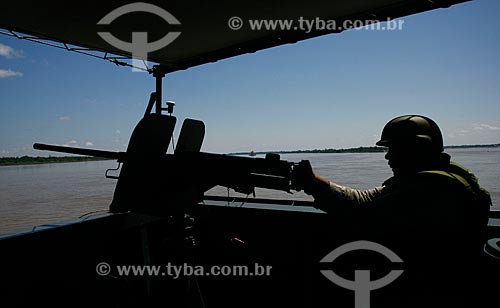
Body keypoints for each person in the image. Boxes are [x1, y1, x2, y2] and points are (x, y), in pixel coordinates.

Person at [293, 115, 492, 306]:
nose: (388, 156)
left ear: (415, 149)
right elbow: (366, 198)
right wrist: (314, 182)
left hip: (433, 290)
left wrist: (314, 187)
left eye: (393, 148)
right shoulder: (430, 177)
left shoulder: (430, 189)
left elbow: (360, 215)